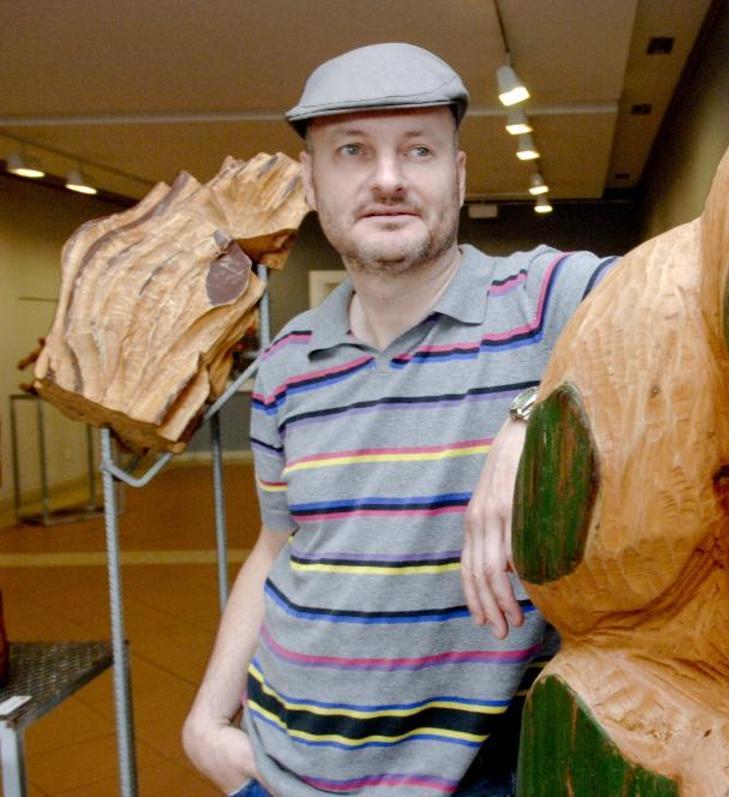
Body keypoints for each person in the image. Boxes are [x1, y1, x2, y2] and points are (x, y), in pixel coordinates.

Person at [182, 43, 617, 796]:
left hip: (470, 772)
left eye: (418, 150)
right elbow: (277, 545)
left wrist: (534, 415)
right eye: (352, 151)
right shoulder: (287, 362)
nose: (387, 179)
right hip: (277, 764)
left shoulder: (544, 298)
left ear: (458, 175)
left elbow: (690, 285)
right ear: (312, 183)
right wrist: (206, 717)